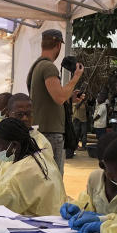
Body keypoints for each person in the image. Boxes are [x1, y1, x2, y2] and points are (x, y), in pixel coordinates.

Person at [26, 29, 84, 177]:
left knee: (43, 176)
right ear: (58, 45)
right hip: (50, 132)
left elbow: (48, 97)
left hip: (42, 130)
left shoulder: (36, 66)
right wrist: (76, 77)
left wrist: (69, 97)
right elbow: (58, 97)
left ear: (42, 44)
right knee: (54, 178)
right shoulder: (48, 67)